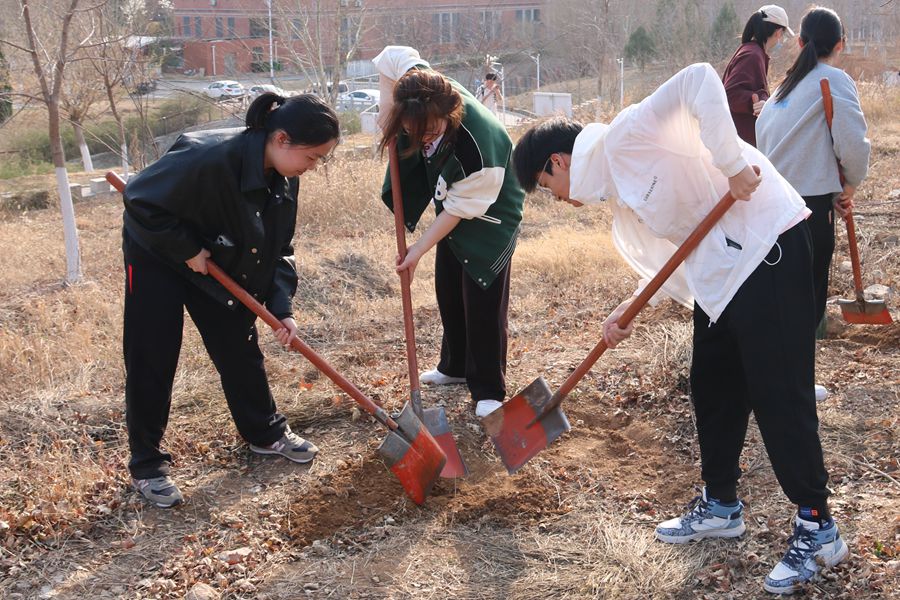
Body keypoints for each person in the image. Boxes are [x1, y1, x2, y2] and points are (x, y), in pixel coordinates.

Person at [512, 62, 846, 595]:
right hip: (721, 276)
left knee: (779, 395)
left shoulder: (627, 135)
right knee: (713, 389)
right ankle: (721, 505)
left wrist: (732, 162)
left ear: (558, 160)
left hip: (767, 248)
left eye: (547, 184)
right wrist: (626, 308)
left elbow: (699, 79)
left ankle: (818, 526)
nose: (556, 197)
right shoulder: (619, 187)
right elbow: (676, 247)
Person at [121, 93, 340, 508]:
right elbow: (140, 199)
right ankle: (147, 464)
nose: (313, 168)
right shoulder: (208, 156)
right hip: (158, 256)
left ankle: (265, 432)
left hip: (215, 261)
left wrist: (281, 308)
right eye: (312, 157)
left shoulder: (283, 179)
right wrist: (186, 249)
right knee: (153, 354)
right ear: (281, 138)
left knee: (238, 343)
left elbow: (279, 249)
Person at [373, 46, 525, 418]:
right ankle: (455, 367)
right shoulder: (419, 87)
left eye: (430, 131)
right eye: (414, 131)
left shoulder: (478, 144)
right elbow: (392, 56)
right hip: (456, 196)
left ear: (449, 111)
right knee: (449, 289)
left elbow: (461, 208)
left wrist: (418, 249)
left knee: (482, 297)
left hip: (492, 211)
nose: (423, 139)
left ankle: (489, 389)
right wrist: (386, 114)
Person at [757, 6, 870, 401]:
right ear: (839, 45)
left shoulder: (780, 93)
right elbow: (853, 145)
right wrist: (850, 186)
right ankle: (798, 388)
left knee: (779, 300)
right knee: (806, 303)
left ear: (801, 43)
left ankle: (773, 383)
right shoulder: (832, 79)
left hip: (770, 211)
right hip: (807, 210)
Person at [722, 4, 793, 146]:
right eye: (783, 35)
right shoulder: (752, 55)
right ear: (778, 32)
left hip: (739, 141)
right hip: (740, 143)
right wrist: (754, 102)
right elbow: (730, 93)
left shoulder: (752, 51)